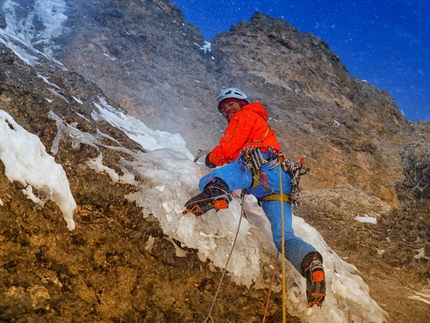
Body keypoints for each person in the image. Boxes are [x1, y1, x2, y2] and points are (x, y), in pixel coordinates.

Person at [184, 87, 325, 307]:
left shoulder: (245, 115)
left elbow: (229, 149)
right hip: (280, 182)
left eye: (231, 104)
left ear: (242, 103)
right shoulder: (260, 123)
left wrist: (210, 158)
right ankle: (311, 263)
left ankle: (218, 194)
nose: (227, 110)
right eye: (223, 109)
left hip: (258, 167)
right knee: (284, 238)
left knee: (212, 178)